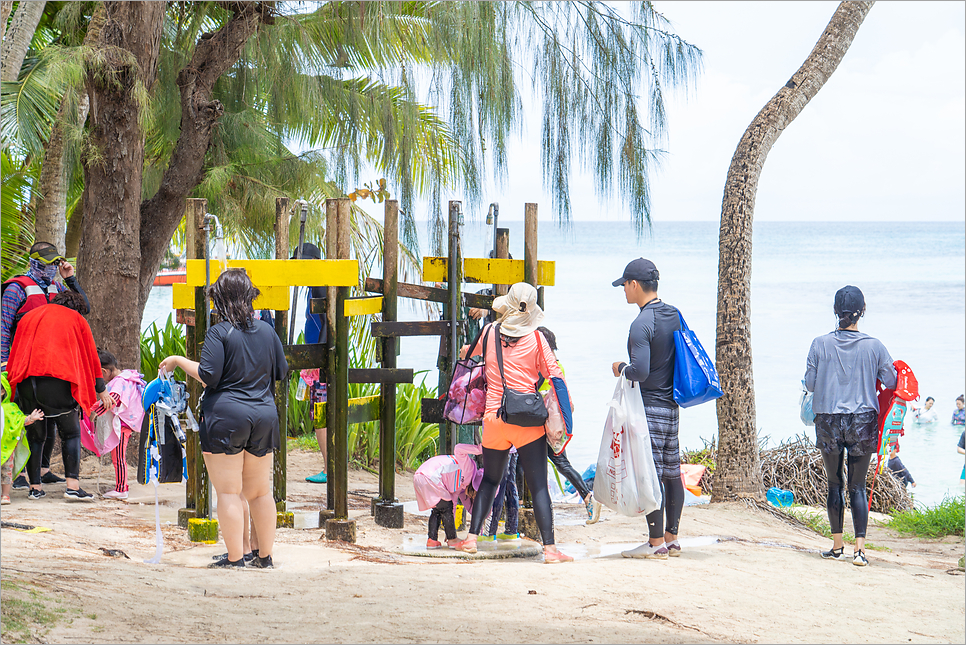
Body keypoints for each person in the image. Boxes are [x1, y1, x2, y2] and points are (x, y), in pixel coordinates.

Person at [160, 269, 287, 569]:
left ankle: (235, 558)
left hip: (227, 418)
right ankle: (265, 557)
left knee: (229, 492)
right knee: (259, 493)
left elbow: (208, 375)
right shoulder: (268, 331)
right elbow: (280, 372)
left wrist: (178, 361)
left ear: (221, 301)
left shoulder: (220, 332)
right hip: (264, 415)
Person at [458, 282, 572, 563]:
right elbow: (555, 376)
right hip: (528, 423)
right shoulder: (536, 339)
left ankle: (471, 539)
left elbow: (467, 355)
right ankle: (551, 550)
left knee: (489, 480)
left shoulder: (489, 331)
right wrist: (565, 421)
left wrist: (466, 351)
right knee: (539, 487)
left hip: (494, 419)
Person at [805, 285, 896, 567]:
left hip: (828, 419)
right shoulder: (875, 346)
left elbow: (809, 384)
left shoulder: (819, 343)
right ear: (862, 312)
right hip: (863, 420)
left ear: (835, 312)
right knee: (857, 486)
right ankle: (860, 551)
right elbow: (892, 382)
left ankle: (836, 547)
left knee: (835, 485)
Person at [610, 258, 685, 560]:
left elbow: (639, 372)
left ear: (635, 285)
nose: (623, 291)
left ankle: (655, 543)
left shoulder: (641, 323)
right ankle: (672, 539)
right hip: (672, 406)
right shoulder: (674, 315)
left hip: (650, 407)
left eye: (624, 285)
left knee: (650, 475)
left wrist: (620, 368)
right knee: (672, 474)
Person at [7, 290, 112, 502]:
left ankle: (34, 488)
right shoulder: (75, 318)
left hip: (27, 383)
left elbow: (15, 351)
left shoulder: (29, 316)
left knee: (35, 436)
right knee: (71, 433)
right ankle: (72, 487)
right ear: (76, 308)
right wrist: (101, 390)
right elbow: (92, 357)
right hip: (59, 383)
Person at [2, 242, 90, 489]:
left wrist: (70, 279)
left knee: (48, 422)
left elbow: (83, 309)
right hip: (20, 366)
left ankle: (42, 470)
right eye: (46, 264)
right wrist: (3, 368)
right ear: (33, 263)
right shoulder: (17, 289)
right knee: (21, 421)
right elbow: (3, 328)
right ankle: (17, 475)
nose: (51, 268)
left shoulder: (57, 286)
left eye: (54, 263)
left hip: (50, 366)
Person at [537, 326, 601, 524]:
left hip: (542, 425)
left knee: (548, 464)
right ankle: (587, 497)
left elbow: (539, 394)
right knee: (561, 464)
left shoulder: (545, 367)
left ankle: (586, 497)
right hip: (552, 426)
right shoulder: (557, 365)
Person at [292, 242, 330, 486]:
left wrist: (319, 359)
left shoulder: (319, 285)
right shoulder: (313, 287)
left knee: (321, 416)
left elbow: (325, 322)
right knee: (320, 415)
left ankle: (329, 469)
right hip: (317, 358)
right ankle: (329, 466)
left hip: (320, 362)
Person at [96, 349, 146, 500]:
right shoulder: (127, 376)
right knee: (118, 456)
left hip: (122, 424)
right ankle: (121, 485)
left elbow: (113, 400)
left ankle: (121, 489)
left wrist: (94, 412)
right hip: (127, 422)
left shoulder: (118, 382)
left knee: (118, 457)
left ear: (104, 372)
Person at [413, 443, 483, 548]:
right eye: (475, 495)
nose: (472, 497)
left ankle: (432, 540)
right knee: (445, 507)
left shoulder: (460, 486)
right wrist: (479, 449)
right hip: (430, 476)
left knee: (438, 509)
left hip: (420, 476)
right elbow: (458, 448)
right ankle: (452, 539)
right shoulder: (469, 468)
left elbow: (453, 505)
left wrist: (449, 529)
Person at [1, 372, 43, 505]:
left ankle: (5, 495)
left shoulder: (10, 408)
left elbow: (19, 421)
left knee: (6, 472)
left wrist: (30, 418)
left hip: (6, 448)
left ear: (3, 391)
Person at [482, 448, 519, 540]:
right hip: (513, 449)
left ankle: (489, 533)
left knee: (498, 488)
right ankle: (512, 531)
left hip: (501, 448)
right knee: (510, 486)